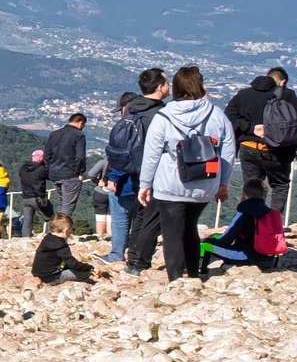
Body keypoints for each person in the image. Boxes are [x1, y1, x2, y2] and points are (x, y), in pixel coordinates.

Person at [137, 65, 237, 283]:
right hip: (205, 183)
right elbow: (228, 151)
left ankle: (175, 279)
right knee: (191, 226)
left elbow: (151, 154)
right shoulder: (216, 114)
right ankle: (193, 273)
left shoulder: (164, 116)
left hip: (170, 182)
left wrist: (145, 184)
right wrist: (224, 182)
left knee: (172, 232)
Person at [228, 68, 297, 218]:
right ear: (281, 82)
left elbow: (229, 118)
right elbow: (295, 123)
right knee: (279, 186)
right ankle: (272, 226)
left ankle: (246, 224)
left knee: (251, 187)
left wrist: (250, 128)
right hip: (278, 151)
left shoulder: (243, 95)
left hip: (248, 147)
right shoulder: (287, 95)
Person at [110, 70, 168, 270]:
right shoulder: (159, 114)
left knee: (141, 217)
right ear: (160, 87)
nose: (169, 87)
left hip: (134, 171)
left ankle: (133, 258)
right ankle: (139, 262)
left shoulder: (132, 110)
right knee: (150, 219)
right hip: (153, 171)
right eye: (167, 83)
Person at [201, 180, 284, 274]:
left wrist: (214, 239)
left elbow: (226, 240)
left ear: (244, 195)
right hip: (268, 261)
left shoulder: (243, 213)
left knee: (206, 243)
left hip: (247, 257)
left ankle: (201, 271)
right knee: (217, 238)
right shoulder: (271, 213)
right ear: (265, 196)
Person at [31, 216, 106, 289]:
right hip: (51, 278)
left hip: (37, 273)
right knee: (84, 273)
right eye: (71, 229)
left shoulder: (47, 239)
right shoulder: (61, 246)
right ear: (66, 231)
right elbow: (73, 264)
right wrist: (89, 268)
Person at [43, 112, 87, 231]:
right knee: (68, 205)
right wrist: (81, 171)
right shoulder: (79, 135)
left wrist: (50, 168)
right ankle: (59, 233)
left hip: (54, 174)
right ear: (80, 123)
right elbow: (80, 157)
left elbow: (46, 155)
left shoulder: (54, 134)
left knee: (62, 203)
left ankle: (53, 230)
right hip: (70, 174)